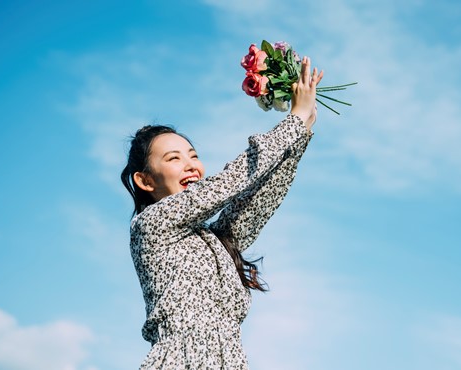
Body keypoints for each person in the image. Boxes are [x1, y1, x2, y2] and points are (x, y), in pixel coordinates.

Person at [121, 57, 323, 369]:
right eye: (174, 158)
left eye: (194, 155)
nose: (191, 165)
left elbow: (258, 200)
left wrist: (300, 134)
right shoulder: (150, 227)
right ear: (145, 180)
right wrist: (292, 121)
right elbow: (230, 182)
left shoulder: (214, 241)